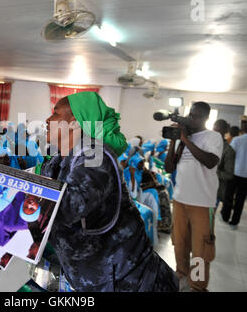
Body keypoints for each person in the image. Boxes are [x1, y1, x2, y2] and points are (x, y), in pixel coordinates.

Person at [41, 92, 178, 292]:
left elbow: (68, 206)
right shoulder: (55, 162)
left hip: (130, 282)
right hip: (90, 278)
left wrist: (12, 195)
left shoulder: (96, 156)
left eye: (55, 113)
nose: (47, 119)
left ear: (75, 123)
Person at [164, 101, 223, 292]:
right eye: (190, 114)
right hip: (180, 200)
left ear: (206, 117)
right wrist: (174, 141)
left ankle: (197, 286)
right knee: (179, 244)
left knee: (200, 250)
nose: (191, 118)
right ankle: (181, 276)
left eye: (195, 115)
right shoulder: (183, 138)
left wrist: (186, 140)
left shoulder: (213, 137)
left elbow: (210, 161)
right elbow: (169, 167)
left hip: (202, 204)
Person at [221, 123, 247, 229]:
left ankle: (225, 216)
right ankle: (234, 222)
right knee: (240, 199)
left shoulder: (237, 140)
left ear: (241, 130)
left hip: (234, 172)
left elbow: (230, 155)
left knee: (228, 195)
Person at [213, 119, 235, 210]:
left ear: (225, 132)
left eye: (219, 131)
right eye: (215, 130)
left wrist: (213, 171)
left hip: (215, 191)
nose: (216, 133)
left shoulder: (228, 151)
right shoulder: (207, 143)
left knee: (208, 220)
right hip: (201, 188)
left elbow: (229, 175)